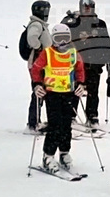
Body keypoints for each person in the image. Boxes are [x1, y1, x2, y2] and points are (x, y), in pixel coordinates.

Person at [30, 23, 86, 173]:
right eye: (58, 39)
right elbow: (36, 69)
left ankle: (64, 152)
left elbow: (79, 69)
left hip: (69, 93)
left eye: (65, 38)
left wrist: (81, 84)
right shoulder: (47, 53)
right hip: (52, 94)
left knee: (66, 125)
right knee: (54, 125)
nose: (62, 42)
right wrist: (37, 85)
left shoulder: (73, 53)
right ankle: (48, 156)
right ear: (53, 39)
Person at [61, 0, 110, 129]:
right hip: (78, 63)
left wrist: (108, 59)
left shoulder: (100, 24)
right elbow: (66, 41)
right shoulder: (73, 23)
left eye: (89, 7)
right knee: (75, 90)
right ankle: (71, 115)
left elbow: (106, 42)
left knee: (93, 92)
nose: (87, 10)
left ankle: (92, 117)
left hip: (94, 63)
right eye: (85, 7)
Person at [23, 0, 52, 132]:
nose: (47, 13)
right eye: (45, 10)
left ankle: (35, 121)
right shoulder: (36, 24)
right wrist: (39, 47)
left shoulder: (40, 24)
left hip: (42, 62)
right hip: (38, 63)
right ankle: (33, 123)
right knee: (39, 90)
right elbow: (32, 37)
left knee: (42, 90)